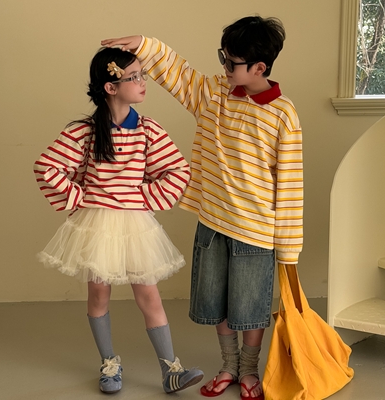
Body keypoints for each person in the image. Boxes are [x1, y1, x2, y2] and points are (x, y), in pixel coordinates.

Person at [101, 14, 303, 400]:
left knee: (250, 308)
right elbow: (177, 72)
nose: (223, 66)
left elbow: (291, 185)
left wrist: (289, 249)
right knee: (217, 304)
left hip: (257, 232)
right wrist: (145, 43)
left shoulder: (283, 114)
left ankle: (249, 370)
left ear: (260, 68)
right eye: (222, 57)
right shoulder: (212, 93)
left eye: (231, 62)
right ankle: (228, 365)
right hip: (212, 222)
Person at [33, 46, 204, 395]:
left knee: (149, 295)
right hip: (97, 225)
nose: (143, 82)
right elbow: (47, 167)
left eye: (143, 75)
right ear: (111, 87)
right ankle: (109, 363)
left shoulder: (148, 129)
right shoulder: (84, 131)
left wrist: (143, 198)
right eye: (134, 77)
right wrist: (80, 198)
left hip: (135, 226)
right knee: (98, 293)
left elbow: (178, 170)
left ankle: (171, 369)